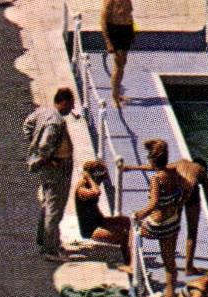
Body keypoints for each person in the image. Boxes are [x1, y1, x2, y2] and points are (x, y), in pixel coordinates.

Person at [129, 139, 188, 297]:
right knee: (169, 260)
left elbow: (153, 203)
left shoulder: (156, 180)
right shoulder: (173, 173)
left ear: (153, 160)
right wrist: (178, 203)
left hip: (157, 224)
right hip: (173, 221)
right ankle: (170, 295)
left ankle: (132, 266)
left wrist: (139, 214)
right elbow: (184, 189)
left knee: (133, 230)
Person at [24, 88, 76, 258]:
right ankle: (50, 249)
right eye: (71, 104)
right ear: (64, 102)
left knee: (47, 204)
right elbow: (45, 146)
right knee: (55, 208)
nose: (72, 108)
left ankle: (44, 239)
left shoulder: (43, 111)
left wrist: (33, 142)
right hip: (57, 170)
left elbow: (27, 125)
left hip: (50, 170)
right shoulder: (56, 122)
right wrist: (49, 159)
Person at [73, 160, 132, 251]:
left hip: (99, 221)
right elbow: (97, 192)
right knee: (122, 235)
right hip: (91, 230)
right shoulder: (82, 188)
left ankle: (127, 251)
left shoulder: (90, 184)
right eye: (100, 179)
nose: (101, 181)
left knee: (125, 220)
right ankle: (127, 259)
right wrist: (89, 178)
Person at [100, 0, 135, 107]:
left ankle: (117, 93)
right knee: (118, 66)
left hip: (125, 31)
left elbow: (129, 15)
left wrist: (132, 32)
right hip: (115, 31)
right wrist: (108, 42)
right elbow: (103, 22)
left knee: (122, 64)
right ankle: (114, 98)